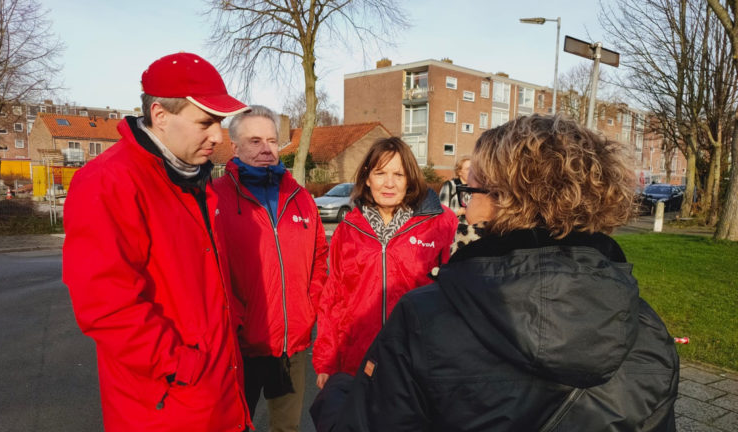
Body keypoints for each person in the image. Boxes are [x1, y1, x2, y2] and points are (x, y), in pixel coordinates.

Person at [314, 114, 679, 431]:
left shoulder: (425, 321)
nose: (465, 209)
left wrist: (336, 397)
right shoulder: (650, 334)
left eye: (470, 192)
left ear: (503, 200)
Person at [62, 52, 252, 431]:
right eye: (206, 122)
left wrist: (234, 328)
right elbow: (105, 306)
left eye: (221, 122)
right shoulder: (109, 182)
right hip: (166, 404)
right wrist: (178, 366)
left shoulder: (193, 179)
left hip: (217, 388)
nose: (219, 135)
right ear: (161, 115)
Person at [212, 105, 328, 432]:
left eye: (273, 141)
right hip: (240, 347)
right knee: (233, 425)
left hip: (291, 346)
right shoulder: (215, 199)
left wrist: (308, 308)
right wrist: (236, 320)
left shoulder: (301, 198)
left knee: (287, 429)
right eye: (255, 141)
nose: (266, 149)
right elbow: (208, 270)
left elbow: (320, 258)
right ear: (233, 147)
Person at [313, 137, 458, 389]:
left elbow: (456, 294)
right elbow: (332, 299)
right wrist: (326, 362)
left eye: (399, 174)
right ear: (367, 179)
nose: (389, 183)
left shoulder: (440, 224)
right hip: (357, 361)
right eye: (380, 173)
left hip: (418, 363)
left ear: (410, 179)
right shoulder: (347, 230)